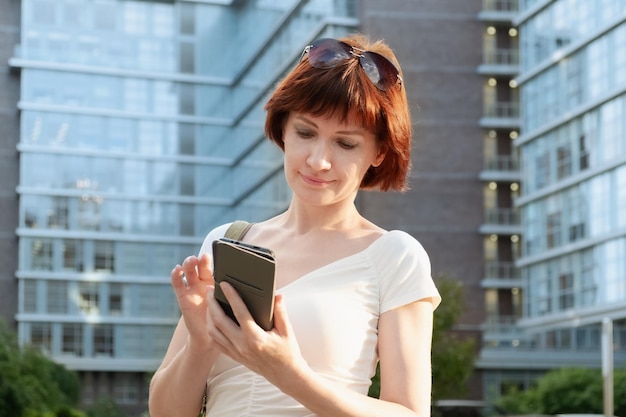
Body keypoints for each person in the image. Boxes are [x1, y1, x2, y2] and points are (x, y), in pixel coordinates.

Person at [148, 33, 441, 417]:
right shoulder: (226, 242)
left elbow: (410, 413)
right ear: (283, 130)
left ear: (379, 152)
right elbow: (166, 412)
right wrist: (201, 344)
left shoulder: (393, 256)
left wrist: (289, 373)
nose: (318, 161)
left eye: (346, 144)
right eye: (305, 133)